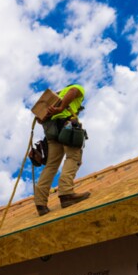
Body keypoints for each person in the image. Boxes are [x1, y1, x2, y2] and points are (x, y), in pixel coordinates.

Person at [35, 84, 91, 216]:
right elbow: (73, 91)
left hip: (52, 131)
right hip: (67, 127)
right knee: (73, 157)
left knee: (51, 166)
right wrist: (60, 108)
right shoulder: (77, 88)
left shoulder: (52, 99)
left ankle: (40, 204)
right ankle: (66, 194)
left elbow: (38, 119)